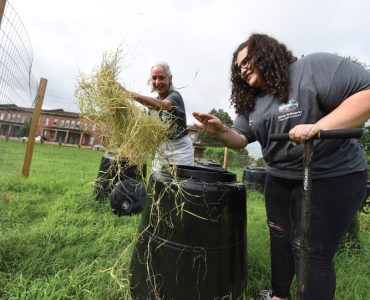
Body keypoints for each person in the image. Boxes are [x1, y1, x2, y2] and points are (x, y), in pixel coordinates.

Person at [193, 33, 370, 300]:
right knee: (279, 236)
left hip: (329, 175)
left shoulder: (310, 69)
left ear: (267, 52)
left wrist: (319, 127)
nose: (242, 68)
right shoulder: (251, 101)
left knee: (310, 251)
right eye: (238, 67)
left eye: (247, 60)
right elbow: (240, 140)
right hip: (279, 176)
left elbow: (367, 94)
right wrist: (221, 130)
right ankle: (279, 296)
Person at [125, 62, 194, 172]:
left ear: (169, 79)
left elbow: (161, 105)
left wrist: (128, 94)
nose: (157, 82)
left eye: (161, 78)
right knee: (157, 181)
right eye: (154, 78)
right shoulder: (152, 104)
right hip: (161, 149)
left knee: (180, 183)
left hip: (180, 149)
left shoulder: (175, 96)